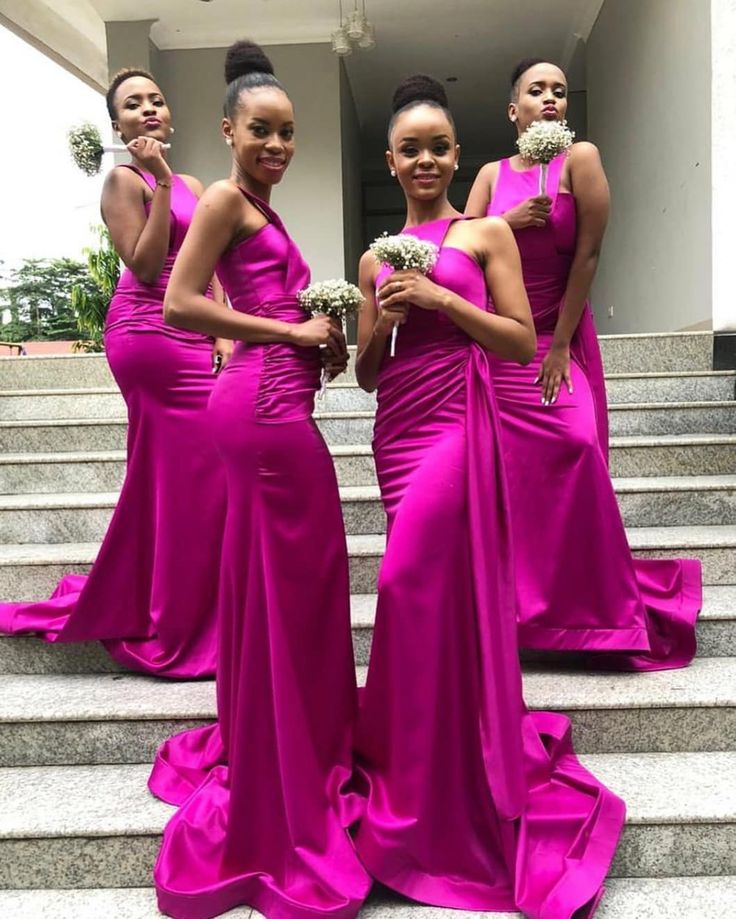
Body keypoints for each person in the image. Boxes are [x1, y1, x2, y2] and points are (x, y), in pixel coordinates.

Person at [352, 73, 625, 919]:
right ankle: (426, 755)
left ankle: (443, 777)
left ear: (457, 154)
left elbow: (517, 340)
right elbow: (365, 375)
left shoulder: (487, 235)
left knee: (401, 587)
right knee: (428, 598)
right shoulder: (373, 255)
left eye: (439, 146)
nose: (426, 159)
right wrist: (383, 317)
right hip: (396, 432)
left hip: (458, 428)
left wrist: (438, 297)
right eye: (411, 149)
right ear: (391, 161)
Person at [147, 41, 370, 919]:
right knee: (296, 579)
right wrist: (290, 335)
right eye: (261, 131)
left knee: (296, 578)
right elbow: (179, 304)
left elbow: (253, 310)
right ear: (229, 130)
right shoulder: (222, 202)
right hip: (260, 412)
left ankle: (297, 734)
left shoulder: (262, 212)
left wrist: (324, 334)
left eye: (287, 133)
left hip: (279, 405)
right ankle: (287, 753)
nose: (277, 145)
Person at [465, 59, 701, 669]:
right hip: (502, 344)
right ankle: (516, 615)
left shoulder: (581, 159)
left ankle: (592, 613)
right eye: (535, 91)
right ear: (512, 110)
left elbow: (589, 255)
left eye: (560, 91)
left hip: (559, 337)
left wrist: (563, 344)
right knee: (500, 475)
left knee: (575, 446)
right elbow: (460, 250)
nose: (550, 99)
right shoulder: (492, 175)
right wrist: (503, 222)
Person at [0, 68, 230, 677]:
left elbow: (210, 266)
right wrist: (155, 182)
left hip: (196, 326)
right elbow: (150, 265)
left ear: (170, 115)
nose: (149, 109)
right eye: (134, 104)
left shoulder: (195, 183)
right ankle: (176, 614)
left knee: (193, 472)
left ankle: (187, 598)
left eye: (157, 100)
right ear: (118, 125)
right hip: (149, 335)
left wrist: (227, 328)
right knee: (186, 468)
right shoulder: (124, 182)